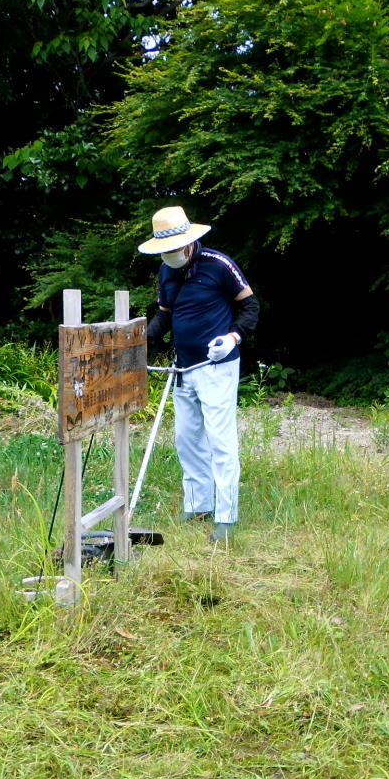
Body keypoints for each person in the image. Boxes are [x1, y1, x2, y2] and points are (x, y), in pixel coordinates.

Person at [137, 206, 260, 542]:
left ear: (189, 243)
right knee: (187, 440)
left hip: (217, 366)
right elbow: (165, 316)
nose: (170, 255)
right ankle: (198, 506)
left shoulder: (219, 265)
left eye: (174, 249)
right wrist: (141, 340)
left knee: (220, 441)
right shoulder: (167, 271)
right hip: (183, 367)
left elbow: (251, 306)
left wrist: (233, 337)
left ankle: (226, 518)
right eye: (164, 251)